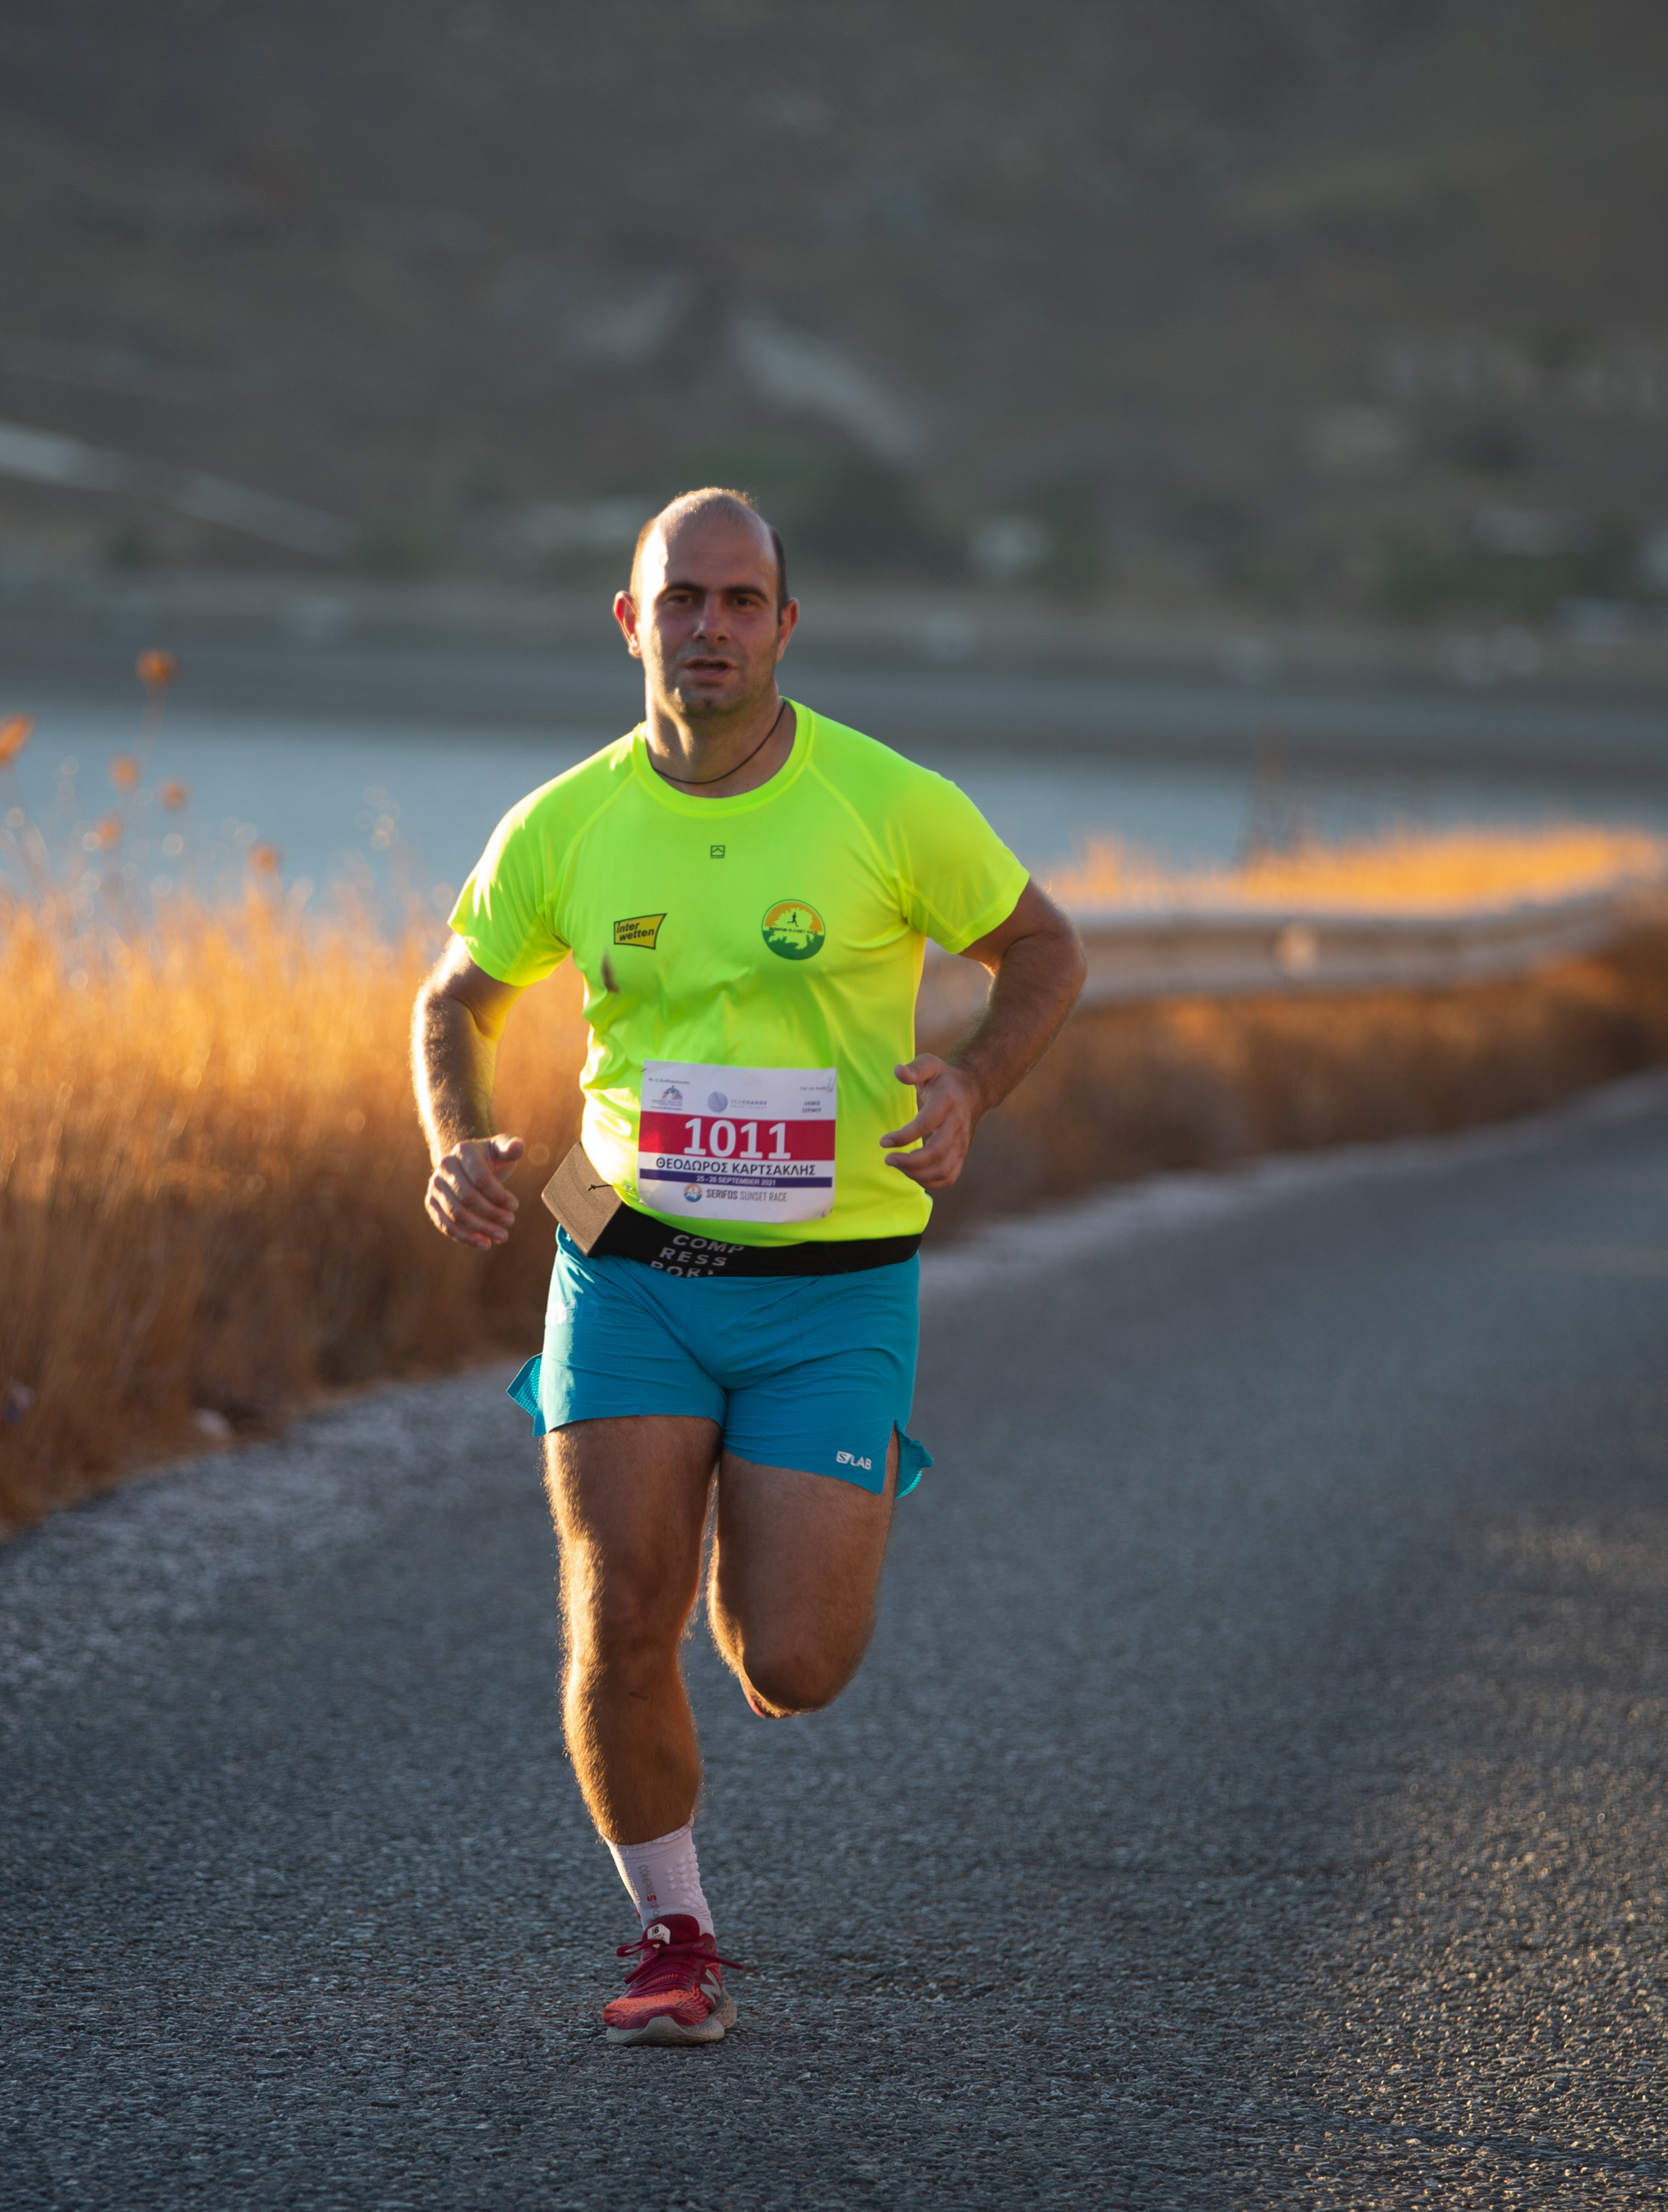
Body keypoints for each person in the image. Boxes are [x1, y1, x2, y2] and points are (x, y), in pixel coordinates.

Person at [409, 488, 1087, 2046]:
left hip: (831, 1282)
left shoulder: (886, 803)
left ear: (784, 625)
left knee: (791, 1660)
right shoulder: (564, 822)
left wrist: (972, 1082)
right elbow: (455, 999)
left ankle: (770, 1525)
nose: (707, 627)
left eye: (737, 601)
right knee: (616, 1614)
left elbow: (1045, 948)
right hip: (619, 1252)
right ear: (629, 622)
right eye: (680, 599)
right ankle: (673, 1934)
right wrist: (454, 1138)